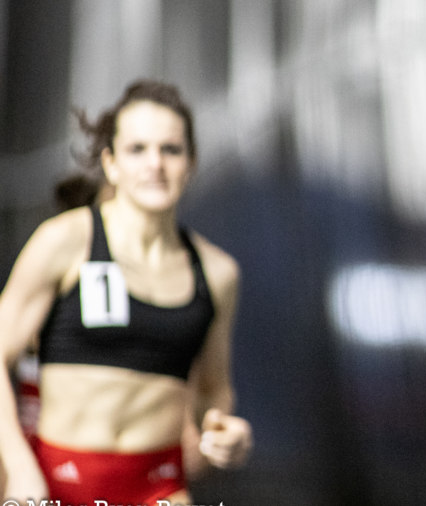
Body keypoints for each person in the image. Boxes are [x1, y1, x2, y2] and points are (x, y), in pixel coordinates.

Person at [0, 80, 253, 505]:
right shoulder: (65, 242)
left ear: (191, 163)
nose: (155, 164)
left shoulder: (218, 273)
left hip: (160, 489)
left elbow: (214, 390)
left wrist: (223, 433)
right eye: (137, 149)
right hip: (54, 485)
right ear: (111, 163)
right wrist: (19, 466)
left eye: (170, 150)